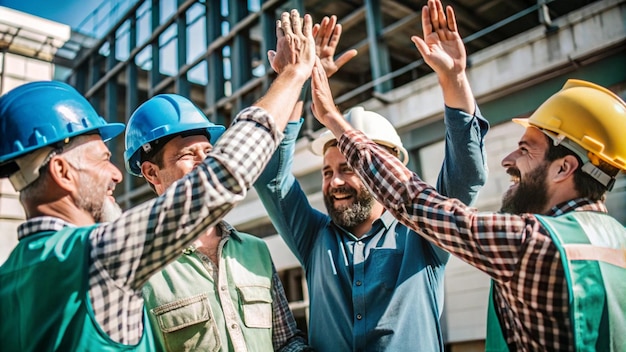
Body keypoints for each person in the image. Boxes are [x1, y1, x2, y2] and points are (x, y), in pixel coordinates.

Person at [311, 8, 626, 352]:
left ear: (564, 168)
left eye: (525, 149)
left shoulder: (528, 243)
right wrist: (454, 79)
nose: (508, 159)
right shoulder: (618, 241)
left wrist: (333, 119)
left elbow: (413, 200)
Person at [0, 9, 315, 351]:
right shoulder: (98, 256)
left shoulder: (7, 282)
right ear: (62, 172)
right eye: (103, 159)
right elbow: (222, 179)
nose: (117, 174)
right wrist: (293, 76)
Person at [254, 3, 489, 350]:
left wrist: (453, 77)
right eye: (328, 171)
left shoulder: (423, 233)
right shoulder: (315, 238)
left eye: (348, 169)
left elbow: (466, 174)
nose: (334, 183)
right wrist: (298, 79)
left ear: (385, 168)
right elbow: (269, 177)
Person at [123, 94, 311, 351]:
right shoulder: (137, 270)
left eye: (209, 152)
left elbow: (286, 341)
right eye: (188, 155)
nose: (206, 163)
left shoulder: (255, 251)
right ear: (151, 172)